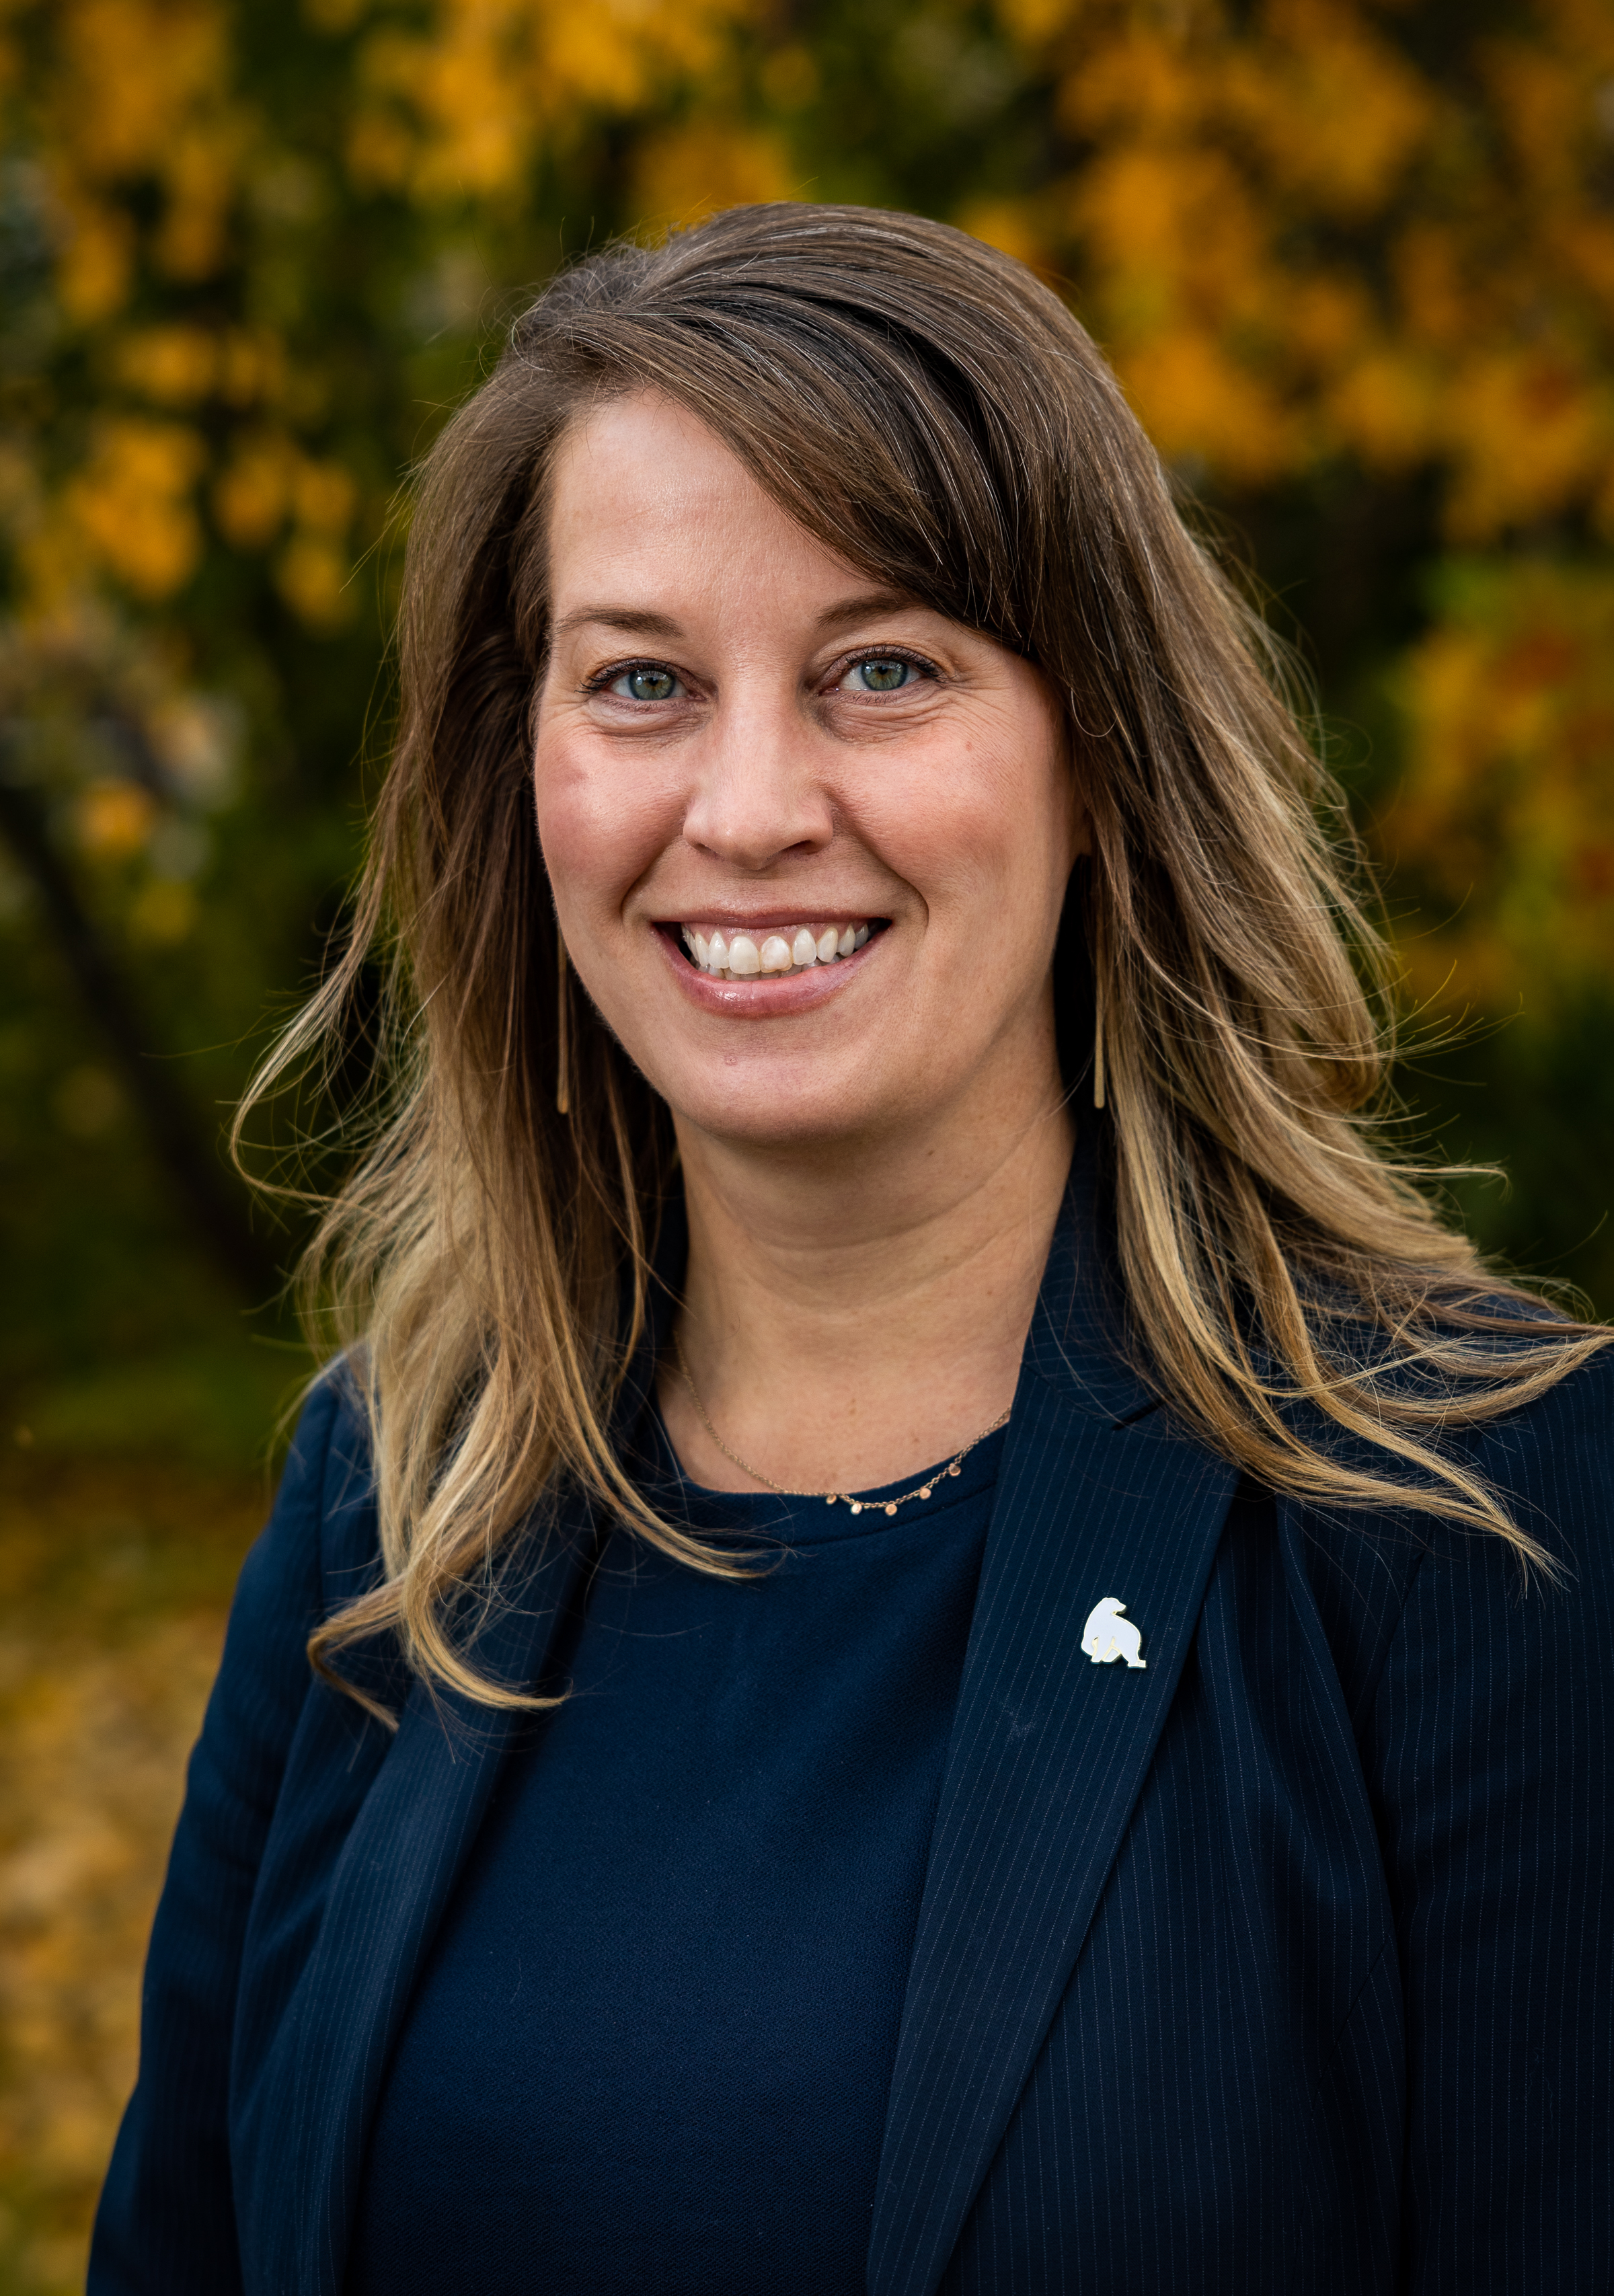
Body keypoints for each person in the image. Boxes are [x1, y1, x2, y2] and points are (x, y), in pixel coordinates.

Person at [90, 204, 1612, 2296]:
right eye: (640, 682)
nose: (747, 808)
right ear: (519, 776)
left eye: (880, 670)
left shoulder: (1477, 1520)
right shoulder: (390, 1502)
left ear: (1100, 752)